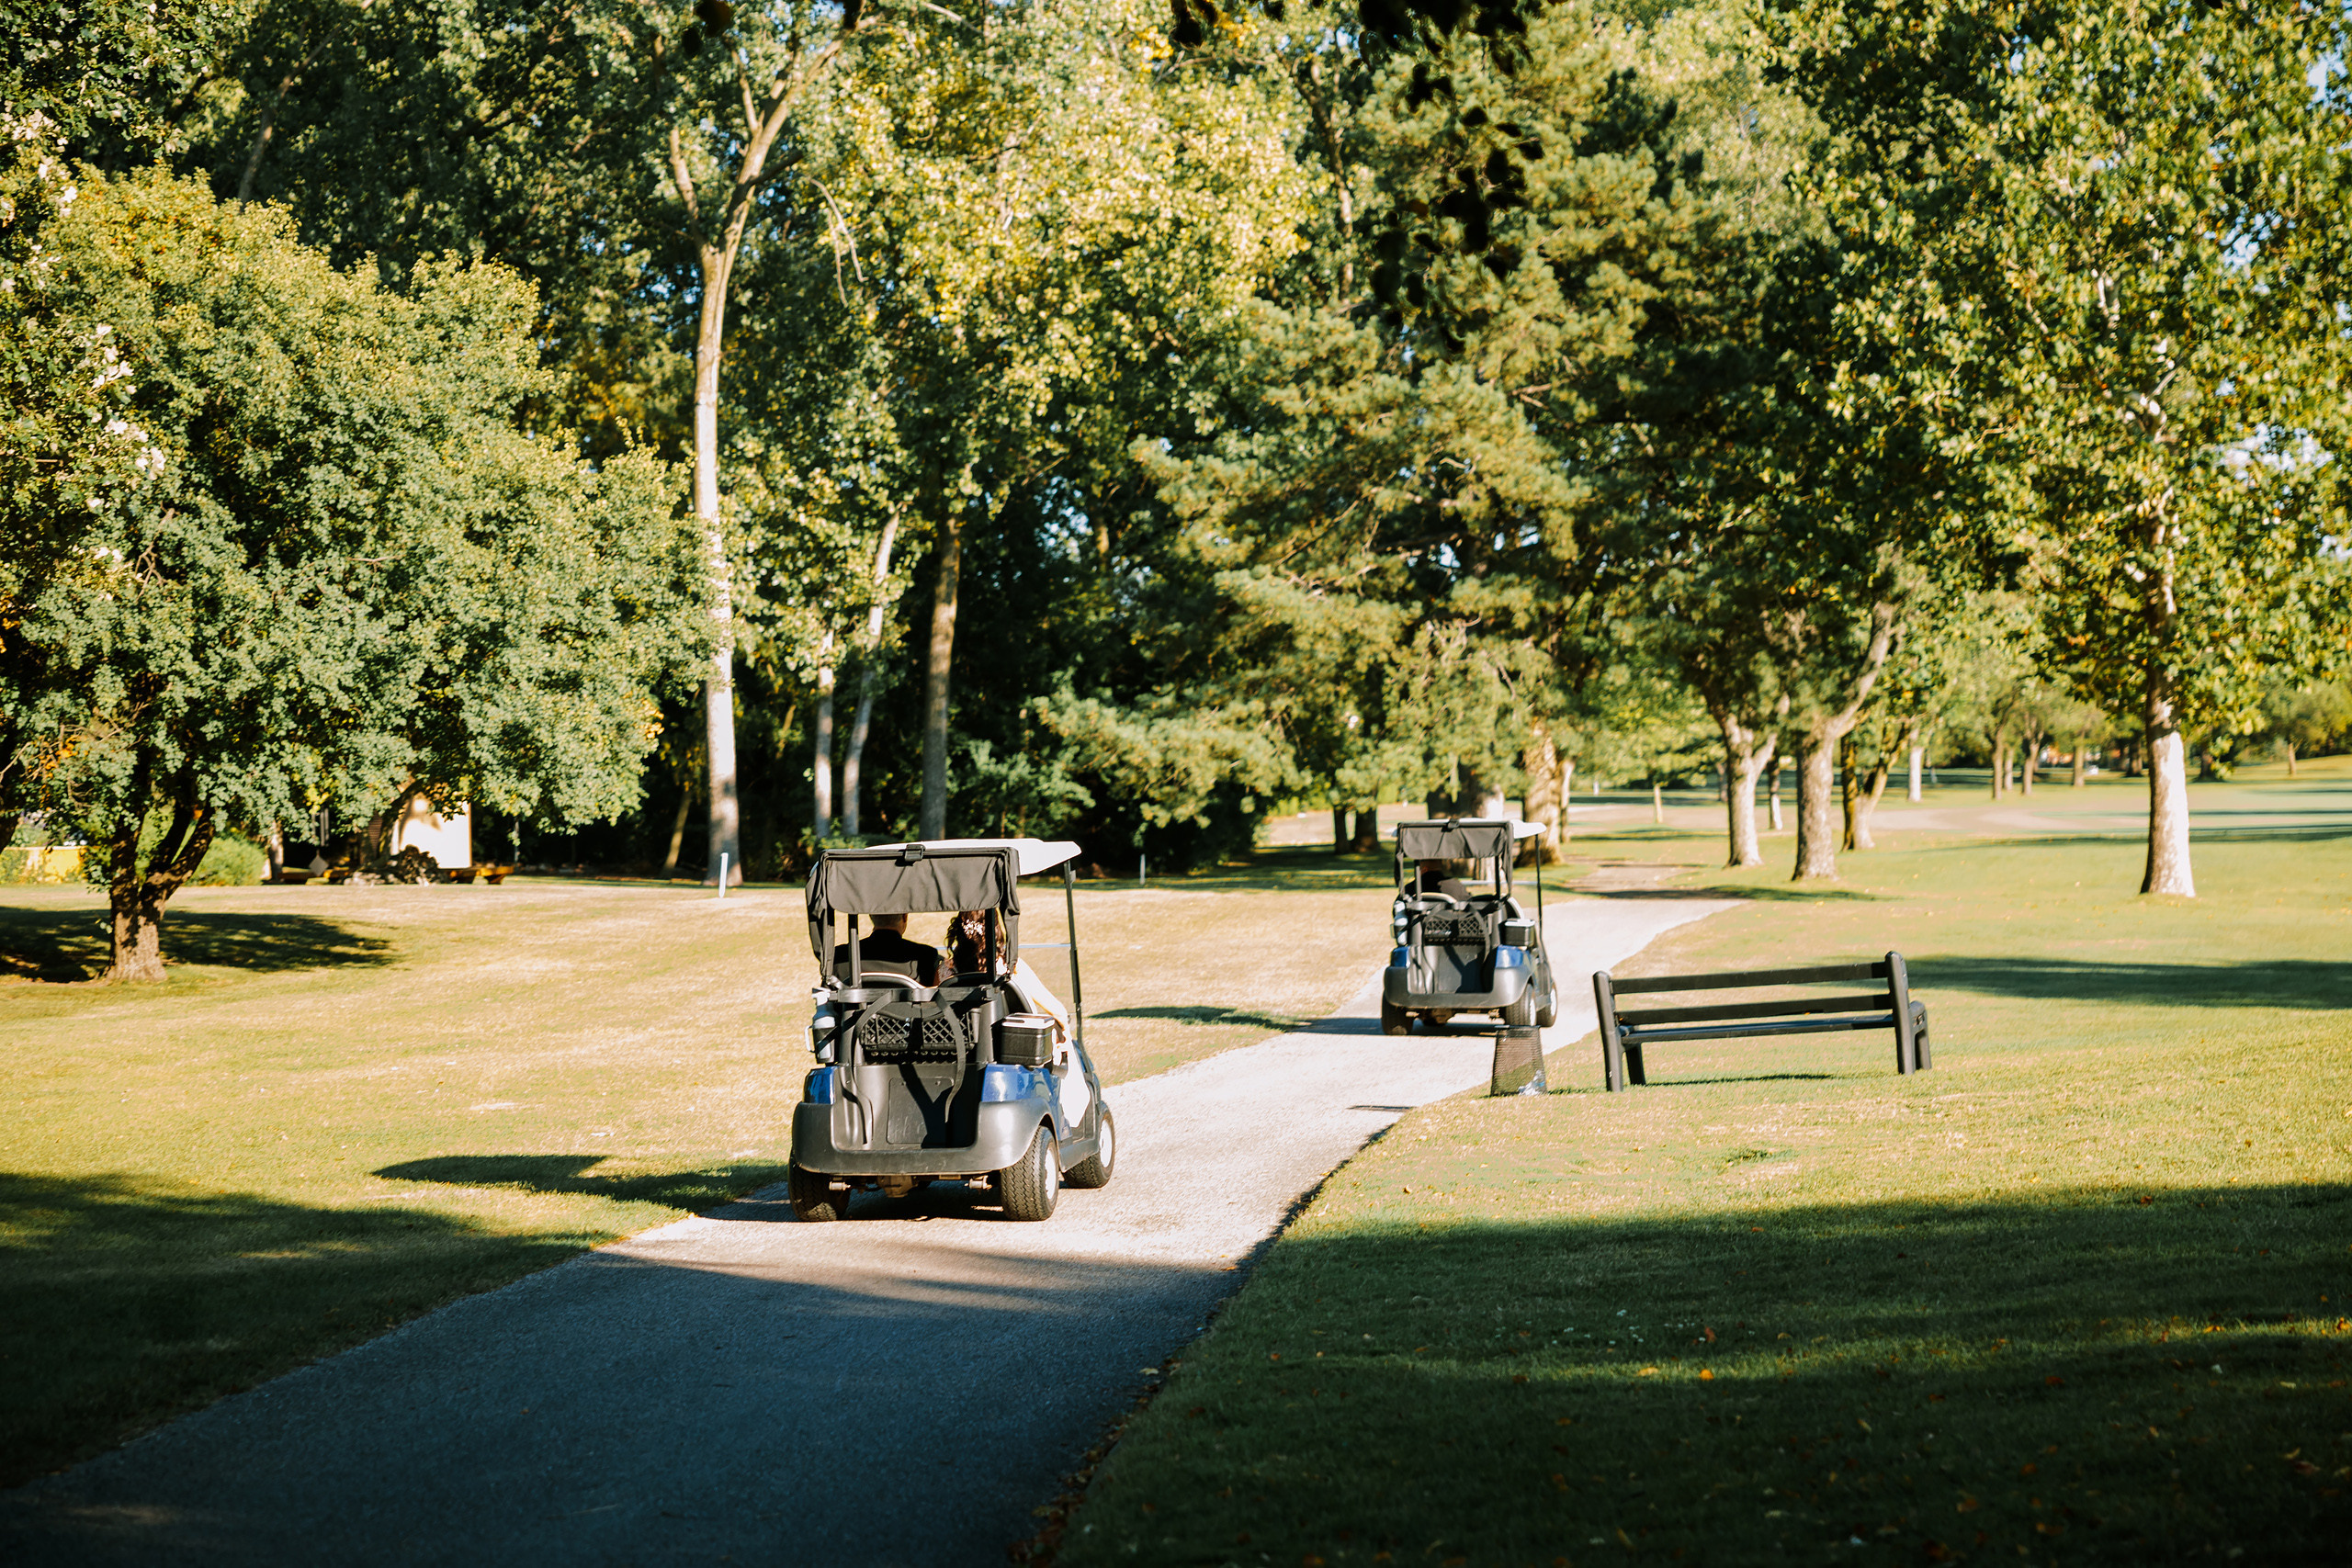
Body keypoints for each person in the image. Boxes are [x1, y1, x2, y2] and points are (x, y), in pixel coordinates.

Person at [832, 910, 941, 985]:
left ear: (871, 916)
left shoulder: (841, 956)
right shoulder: (926, 956)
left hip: (854, 1018)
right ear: (904, 917)